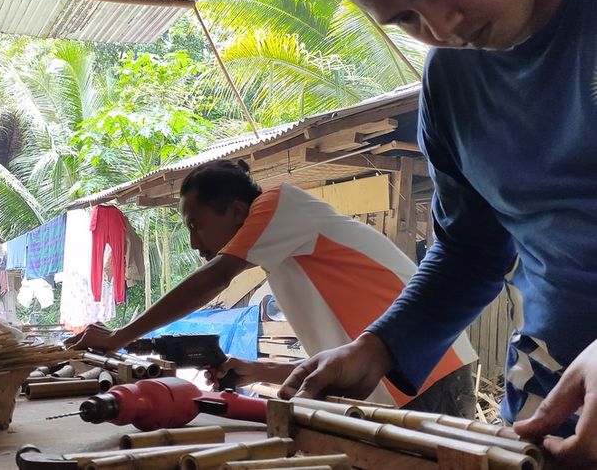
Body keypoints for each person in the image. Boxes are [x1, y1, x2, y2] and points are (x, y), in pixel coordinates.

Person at [279, 0, 596, 465]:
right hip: (549, 396)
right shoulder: (453, 77)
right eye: (406, 17)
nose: (442, 28)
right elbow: (470, 250)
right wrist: (377, 347)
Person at [66, 159, 477, 415]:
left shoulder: (279, 204)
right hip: (405, 369)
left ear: (238, 211)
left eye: (197, 225)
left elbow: (212, 279)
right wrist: (257, 370)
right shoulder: (287, 255)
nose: (194, 242)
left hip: (427, 368)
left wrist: (120, 337)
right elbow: (340, 357)